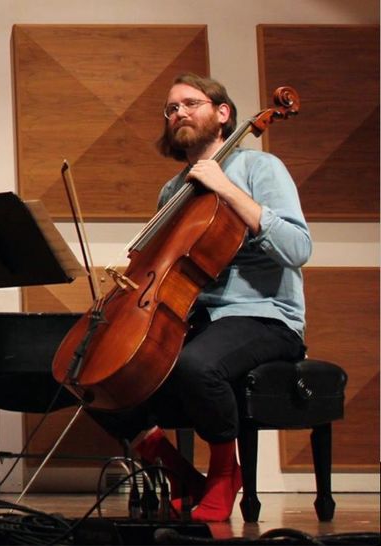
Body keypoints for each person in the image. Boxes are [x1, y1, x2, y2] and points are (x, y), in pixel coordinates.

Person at [89, 72, 311, 522]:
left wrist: (225, 187)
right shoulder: (173, 191)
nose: (179, 113)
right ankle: (178, 471)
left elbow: (297, 248)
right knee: (97, 376)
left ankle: (225, 475)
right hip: (201, 316)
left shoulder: (259, 168)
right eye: (171, 109)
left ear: (223, 113)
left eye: (190, 103)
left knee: (195, 365)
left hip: (265, 317)